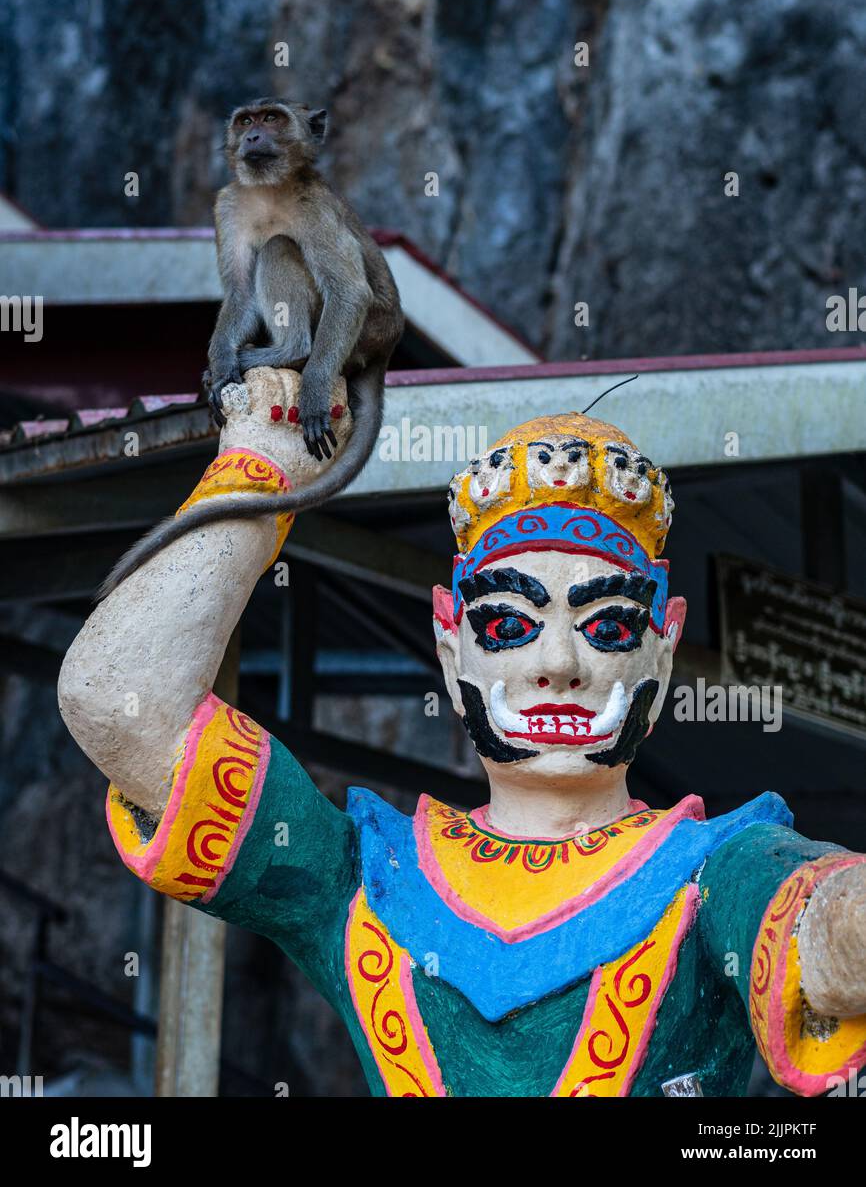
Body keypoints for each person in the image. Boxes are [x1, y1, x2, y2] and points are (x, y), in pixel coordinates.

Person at [58, 368, 866, 1097]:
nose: (559, 663)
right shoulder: (362, 878)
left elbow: (833, 938)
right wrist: (264, 468)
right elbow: (114, 698)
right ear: (453, 653)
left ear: (662, 649)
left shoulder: (719, 872)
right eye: (510, 623)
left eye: (610, 626)